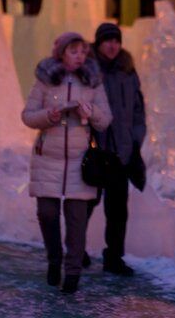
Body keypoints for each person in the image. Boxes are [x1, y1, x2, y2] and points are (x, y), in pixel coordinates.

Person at [21, 31, 112, 294]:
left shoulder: (93, 81)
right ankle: (54, 260)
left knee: (76, 220)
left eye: (83, 52)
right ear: (61, 53)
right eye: (74, 52)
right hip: (47, 157)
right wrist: (48, 115)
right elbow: (27, 116)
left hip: (79, 160)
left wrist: (91, 112)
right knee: (47, 213)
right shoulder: (45, 80)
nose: (79, 57)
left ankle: (72, 271)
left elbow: (105, 119)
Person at [86, 22, 146, 276]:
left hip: (121, 153)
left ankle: (114, 257)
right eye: (107, 40)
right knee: (87, 203)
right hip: (95, 151)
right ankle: (76, 250)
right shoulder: (88, 70)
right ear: (98, 43)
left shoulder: (127, 71)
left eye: (116, 41)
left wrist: (135, 140)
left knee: (118, 209)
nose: (112, 45)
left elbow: (137, 109)